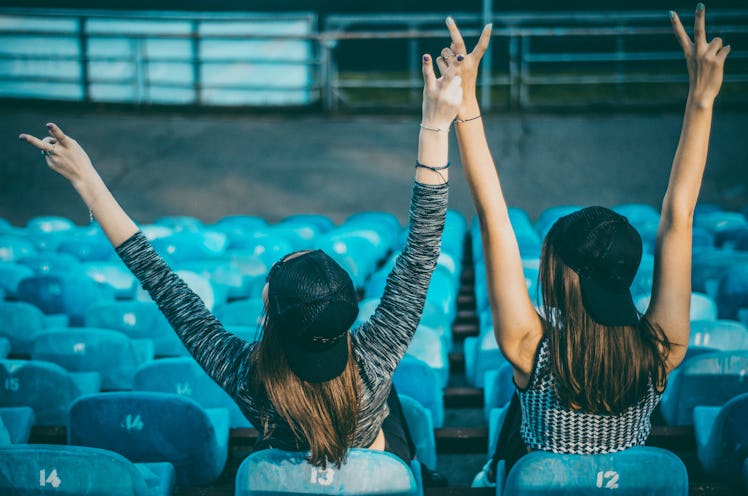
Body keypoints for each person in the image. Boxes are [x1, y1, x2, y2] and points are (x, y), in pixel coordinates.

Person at [18, 53, 462, 475]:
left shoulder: (248, 376)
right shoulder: (376, 359)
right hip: (378, 466)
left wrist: (88, 181)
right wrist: (436, 124)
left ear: (268, 309)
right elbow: (423, 246)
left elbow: (159, 280)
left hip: (283, 467)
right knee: (395, 397)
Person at [436, 4, 730, 483]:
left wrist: (466, 104)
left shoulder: (530, 346)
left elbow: (494, 219)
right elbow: (679, 218)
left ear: (557, 271)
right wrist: (702, 99)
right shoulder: (661, 349)